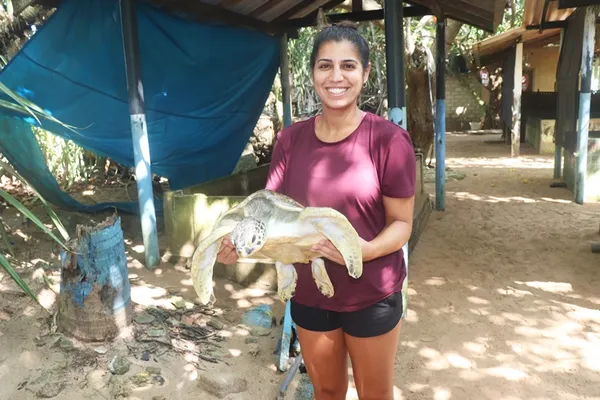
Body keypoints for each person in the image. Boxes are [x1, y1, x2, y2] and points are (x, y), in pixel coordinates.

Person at [217, 20, 416, 400]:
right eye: (325, 65)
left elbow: (401, 224)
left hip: (371, 291)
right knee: (326, 391)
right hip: (310, 292)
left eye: (348, 65)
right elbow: (265, 216)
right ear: (312, 73)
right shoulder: (290, 141)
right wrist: (237, 243)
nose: (336, 76)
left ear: (365, 73)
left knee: (376, 394)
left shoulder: (389, 141)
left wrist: (363, 251)